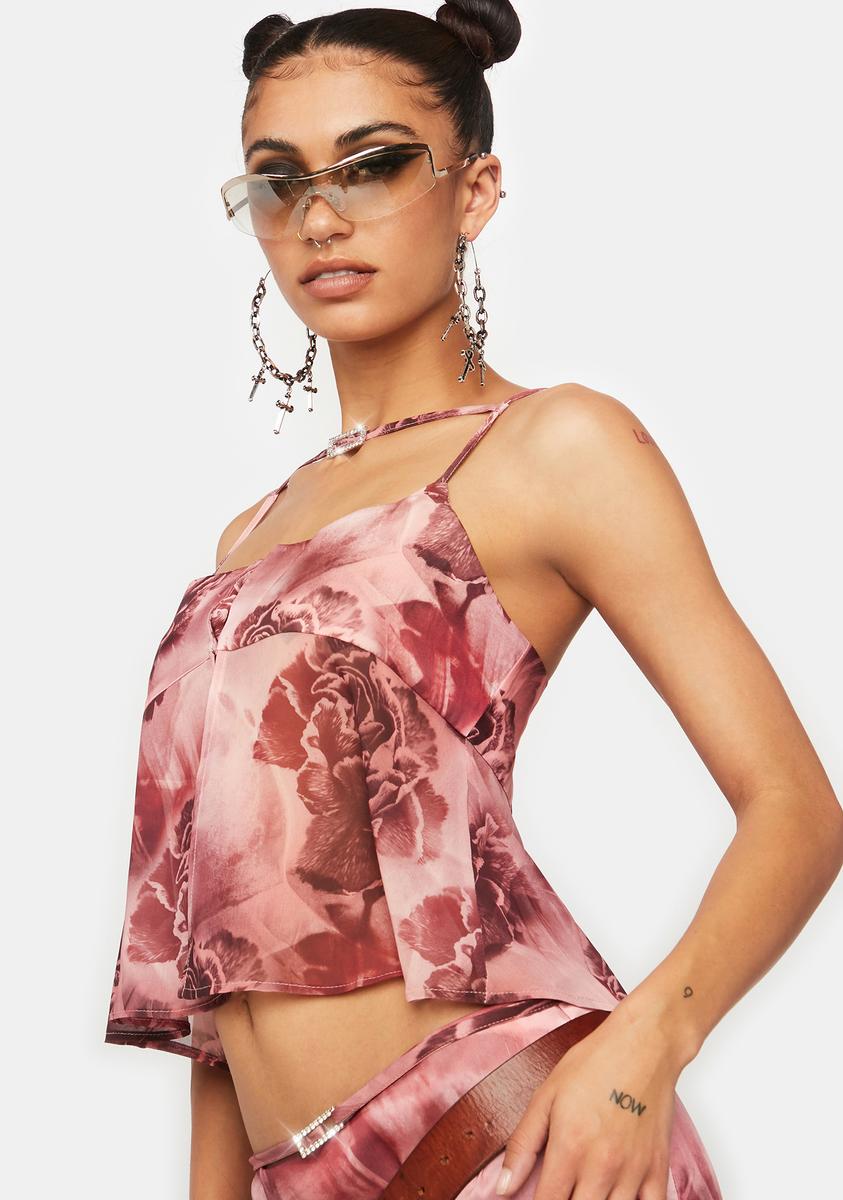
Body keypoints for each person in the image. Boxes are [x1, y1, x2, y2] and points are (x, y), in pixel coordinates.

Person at [104, 6, 843, 1199]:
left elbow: (797, 811)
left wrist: (641, 1059)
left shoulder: (554, 448)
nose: (322, 217)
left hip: (519, 1148)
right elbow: (220, 962)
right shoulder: (247, 538)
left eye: (374, 164)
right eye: (281, 181)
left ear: (477, 190)